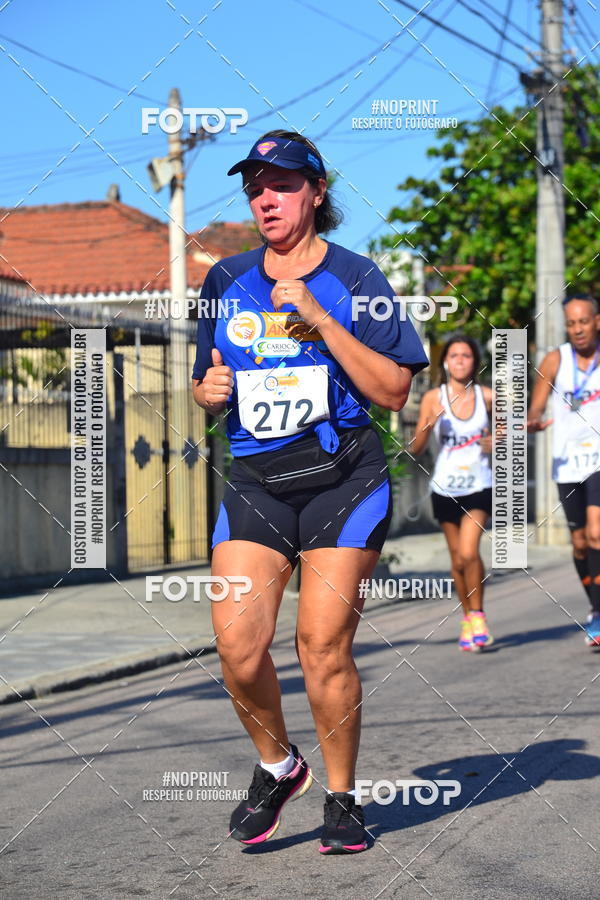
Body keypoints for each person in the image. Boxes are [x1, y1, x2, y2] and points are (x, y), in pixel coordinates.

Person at [191, 130, 428, 854]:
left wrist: (321, 320)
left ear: (316, 193)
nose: (266, 197)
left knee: (320, 646)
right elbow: (204, 379)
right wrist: (208, 390)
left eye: (283, 184)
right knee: (236, 646)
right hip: (260, 480)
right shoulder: (223, 280)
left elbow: (394, 389)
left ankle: (344, 796)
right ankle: (277, 765)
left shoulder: (359, 279)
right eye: (256, 185)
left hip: (343, 481)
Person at [411, 335, 494, 651]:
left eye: (466, 355)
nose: (460, 360)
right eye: (455, 355)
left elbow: (507, 435)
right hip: (444, 488)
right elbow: (416, 449)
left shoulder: (488, 396)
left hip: (479, 485)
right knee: (458, 559)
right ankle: (467, 616)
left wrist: (496, 441)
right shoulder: (433, 397)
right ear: (445, 361)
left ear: (475, 361)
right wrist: (428, 425)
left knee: (470, 552)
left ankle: (479, 615)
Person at [527, 295, 600, 647]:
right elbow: (536, 408)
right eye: (571, 324)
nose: (577, 329)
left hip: (599, 459)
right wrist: (533, 423)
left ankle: (599, 617)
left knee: (597, 533)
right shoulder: (555, 359)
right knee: (580, 544)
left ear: (597, 321)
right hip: (567, 464)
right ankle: (595, 608)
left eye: (583, 321)